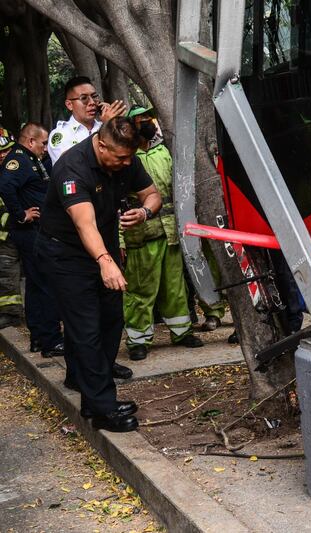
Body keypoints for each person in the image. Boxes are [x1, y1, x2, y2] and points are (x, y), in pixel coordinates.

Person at [37, 117, 161, 432]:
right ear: (101, 144)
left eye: (130, 157)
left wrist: (144, 211)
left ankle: (88, 388)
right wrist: (105, 260)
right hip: (65, 254)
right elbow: (84, 224)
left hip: (101, 250)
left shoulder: (125, 160)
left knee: (111, 319)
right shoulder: (72, 167)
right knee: (86, 327)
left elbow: (152, 194)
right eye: (120, 157)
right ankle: (102, 408)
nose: (127, 163)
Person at [121, 106, 203, 361]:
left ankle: (181, 331)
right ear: (132, 126)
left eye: (149, 118)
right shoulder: (128, 157)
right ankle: (138, 340)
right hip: (140, 234)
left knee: (175, 287)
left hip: (171, 232)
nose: (147, 122)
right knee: (140, 290)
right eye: (141, 119)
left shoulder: (163, 150)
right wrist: (119, 238)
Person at [0, 123, 65, 356]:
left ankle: (39, 337)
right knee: (47, 283)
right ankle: (52, 341)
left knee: (37, 285)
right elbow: (5, 186)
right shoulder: (19, 160)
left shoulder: (30, 158)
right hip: (32, 233)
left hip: (36, 232)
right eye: (43, 143)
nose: (46, 148)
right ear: (30, 142)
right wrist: (21, 215)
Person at [48, 76, 126, 165]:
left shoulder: (105, 125)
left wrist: (116, 124)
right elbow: (72, 162)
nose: (92, 102)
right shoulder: (61, 134)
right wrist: (105, 128)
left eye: (94, 96)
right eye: (84, 98)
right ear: (69, 105)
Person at [0, 128, 23, 329]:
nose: (2, 155)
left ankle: (12, 313)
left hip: (22, 230)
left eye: (5, 150)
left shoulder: (21, 168)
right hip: (4, 235)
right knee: (5, 273)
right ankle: (9, 312)